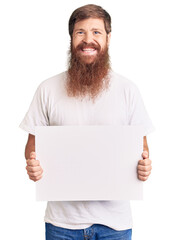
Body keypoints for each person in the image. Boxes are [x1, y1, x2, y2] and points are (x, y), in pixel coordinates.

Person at [20, 4, 154, 240]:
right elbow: (33, 146)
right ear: (71, 38)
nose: (88, 39)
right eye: (80, 32)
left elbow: (141, 148)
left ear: (108, 38)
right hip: (61, 225)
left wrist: (144, 166)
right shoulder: (47, 89)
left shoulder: (128, 90)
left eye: (96, 32)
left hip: (115, 225)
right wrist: (33, 166)